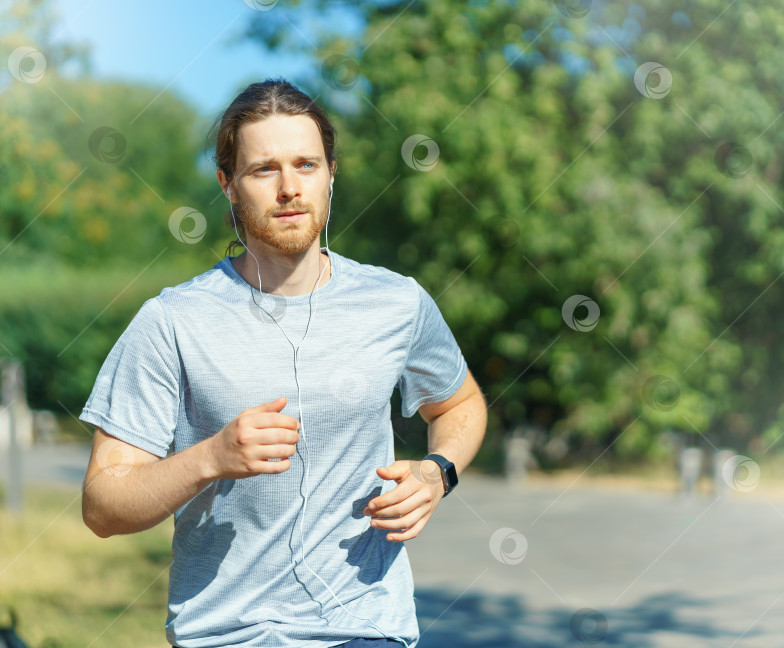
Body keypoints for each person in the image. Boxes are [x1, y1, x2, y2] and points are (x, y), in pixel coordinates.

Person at [79, 78, 488, 648]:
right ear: (228, 185)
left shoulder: (397, 302)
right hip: (224, 636)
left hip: (364, 629)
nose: (290, 188)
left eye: (307, 165)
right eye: (264, 169)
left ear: (332, 174)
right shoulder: (172, 320)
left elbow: (461, 402)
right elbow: (103, 506)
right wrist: (210, 458)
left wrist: (436, 471)